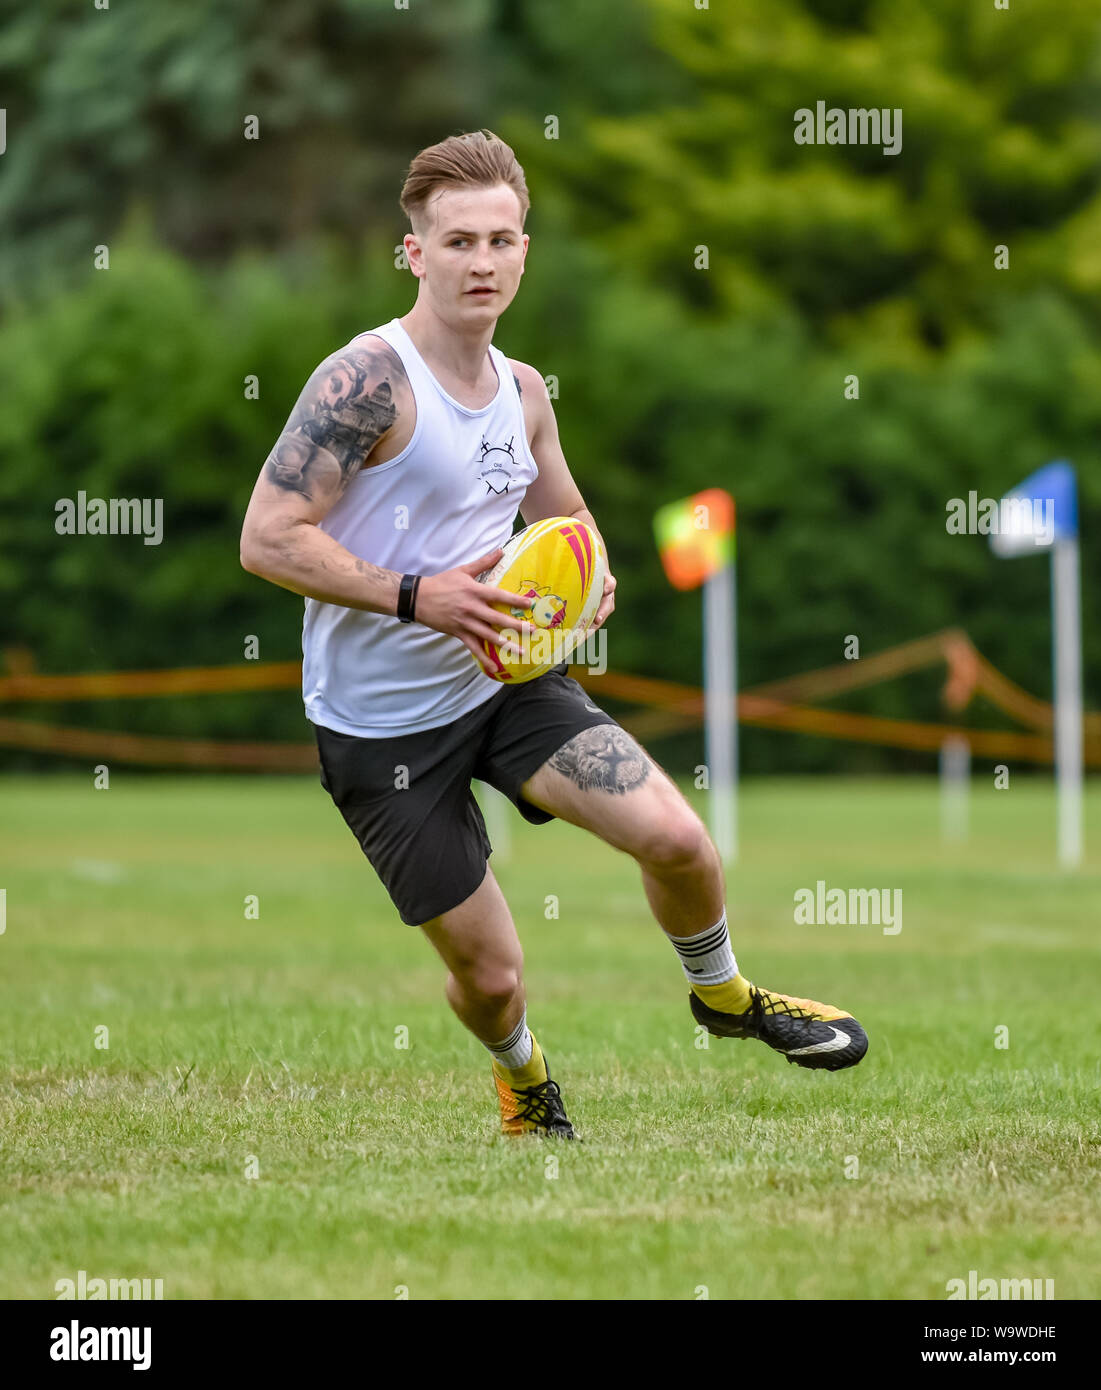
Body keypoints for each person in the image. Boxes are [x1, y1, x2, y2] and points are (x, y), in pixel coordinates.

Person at [239, 130, 868, 1140]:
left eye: (499, 240)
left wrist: (591, 582)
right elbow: (266, 539)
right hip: (381, 730)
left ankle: (724, 996)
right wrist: (417, 596)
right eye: (456, 243)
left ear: (524, 249)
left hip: (507, 687)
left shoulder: (525, 393)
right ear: (414, 253)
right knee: (491, 979)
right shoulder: (365, 381)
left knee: (677, 840)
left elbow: (567, 522)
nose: (479, 262)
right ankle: (523, 1075)